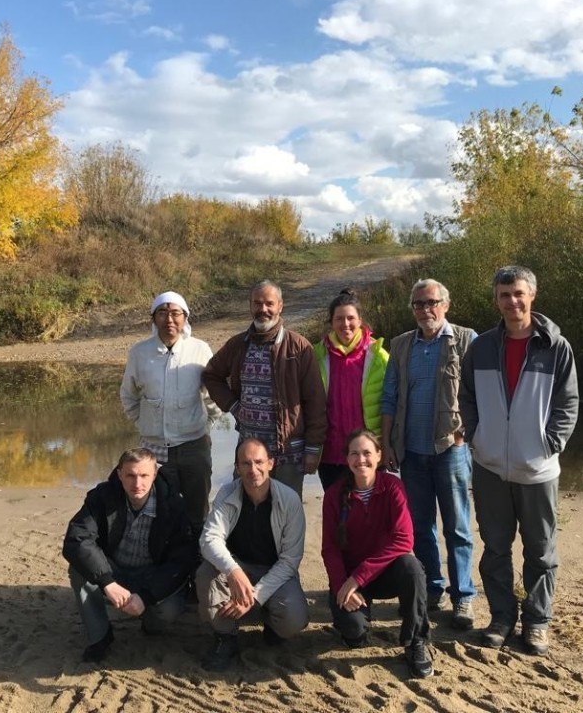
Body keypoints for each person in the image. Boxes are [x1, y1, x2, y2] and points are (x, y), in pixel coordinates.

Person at [460, 265, 579, 656]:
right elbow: (468, 399)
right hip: (491, 466)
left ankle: (537, 622)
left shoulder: (555, 347)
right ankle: (500, 618)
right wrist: (478, 437)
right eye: (504, 295)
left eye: (518, 293)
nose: (512, 301)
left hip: (538, 469)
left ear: (532, 296)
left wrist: (551, 442)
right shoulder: (480, 348)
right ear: (496, 300)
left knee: (540, 551)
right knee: (494, 547)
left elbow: (567, 403)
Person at [380, 278, 478, 630]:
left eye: (431, 302)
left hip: (450, 450)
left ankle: (463, 596)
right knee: (420, 528)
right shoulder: (401, 345)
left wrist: (465, 433)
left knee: (458, 527)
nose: (425, 310)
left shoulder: (467, 340)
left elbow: (480, 392)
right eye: (419, 304)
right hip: (411, 453)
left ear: (446, 304)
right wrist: (388, 442)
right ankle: (432, 589)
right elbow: (389, 396)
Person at [62, 448, 198, 663]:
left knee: (166, 615)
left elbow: (181, 560)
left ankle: (148, 620)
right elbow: (77, 538)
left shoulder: (174, 504)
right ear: (119, 474)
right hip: (114, 570)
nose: (137, 483)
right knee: (79, 568)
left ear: (154, 474)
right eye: (130, 475)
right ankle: (99, 637)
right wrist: (107, 581)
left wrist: (146, 596)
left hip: (153, 573)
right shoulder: (102, 496)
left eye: (144, 476)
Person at [322, 429, 434, 678]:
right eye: (354, 454)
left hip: (383, 574)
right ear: (346, 459)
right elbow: (330, 549)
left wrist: (358, 577)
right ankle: (358, 622)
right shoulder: (333, 495)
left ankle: (416, 641)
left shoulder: (393, 487)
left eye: (367, 453)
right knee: (354, 634)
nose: (361, 459)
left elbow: (404, 540)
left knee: (412, 568)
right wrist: (342, 584)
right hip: (351, 580)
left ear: (379, 455)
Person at [202, 280, 326, 497]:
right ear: (250, 305)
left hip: (288, 454)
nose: (263, 309)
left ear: (280, 306)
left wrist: (313, 449)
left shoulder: (299, 347)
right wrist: (233, 405)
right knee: (245, 513)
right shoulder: (237, 345)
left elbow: (315, 401)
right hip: (248, 452)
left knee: (286, 516)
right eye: (257, 303)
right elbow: (211, 375)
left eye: (269, 303)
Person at [196, 439, 309, 671]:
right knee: (205, 575)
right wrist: (233, 571)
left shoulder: (290, 500)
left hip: (275, 570)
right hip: (238, 566)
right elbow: (208, 539)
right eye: (245, 464)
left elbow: (290, 561)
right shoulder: (226, 494)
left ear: (271, 463)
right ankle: (225, 636)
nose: (253, 469)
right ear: (237, 468)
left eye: (259, 462)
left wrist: (255, 597)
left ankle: (271, 622)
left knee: (294, 621)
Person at [120, 291, 219, 535]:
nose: (169, 320)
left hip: (194, 444)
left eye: (176, 313)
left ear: (185, 318)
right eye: (162, 313)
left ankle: (198, 560)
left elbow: (213, 395)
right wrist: (144, 423)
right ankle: (163, 563)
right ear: (153, 319)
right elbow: (128, 395)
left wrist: (205, 427)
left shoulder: (199, 349)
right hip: (153, 447)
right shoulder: (140, 353)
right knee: (159, 508)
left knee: (198, 509)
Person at [312, 289, 389, 490]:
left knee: (369, 514)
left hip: (368, 454)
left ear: (360, 320)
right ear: (331, 322)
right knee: (337, 514)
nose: (345, 324)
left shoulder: (379, 356)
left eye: (350, 318)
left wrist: (388, 445)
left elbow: (392, 404)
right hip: (331, 455)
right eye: (339, 319)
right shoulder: (316, 356)